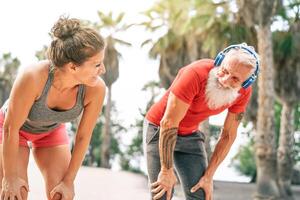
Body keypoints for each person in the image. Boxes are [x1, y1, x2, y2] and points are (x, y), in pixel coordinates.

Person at [0, 16, 106, 200]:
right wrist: (9, 178)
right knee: (15, 194)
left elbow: (82, 137)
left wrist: (68, 181)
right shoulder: (33, 77)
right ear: (73, 67)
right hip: (12, 130)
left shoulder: (95, 89)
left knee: (61, 194)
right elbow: (11, 128)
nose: (102, 70)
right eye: (97, 65)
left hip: (50, 131)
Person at [143, 43, 260, 200]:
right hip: (160, 128)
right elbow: (169, 122)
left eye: (235, 79)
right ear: (219, 61)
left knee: (201, 193)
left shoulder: (243, 92)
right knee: (162, 193)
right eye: (224, 71)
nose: (225, 80)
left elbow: (228, 135)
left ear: (245, 82)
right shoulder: (195, 73)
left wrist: (208, 176)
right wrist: (166, 170)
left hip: (190, 134)